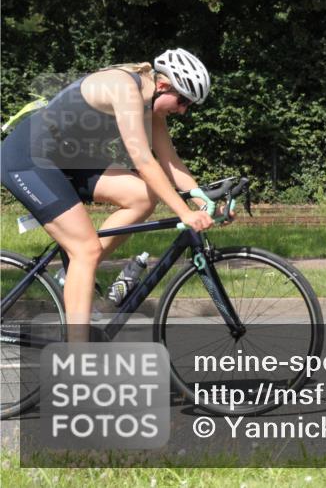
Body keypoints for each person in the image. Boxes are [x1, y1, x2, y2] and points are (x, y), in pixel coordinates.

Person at [1, 48, 215, 339]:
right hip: (28, 158)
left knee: (142, 197)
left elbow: (170, 161)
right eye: (184, 101)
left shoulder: (151, 107)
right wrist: (184, 212)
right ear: (164, 85)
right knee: (85, 250)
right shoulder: (125, 88)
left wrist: (204, 200)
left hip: (66, 160)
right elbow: (144, 161)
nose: (183, 110)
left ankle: (76, 271)